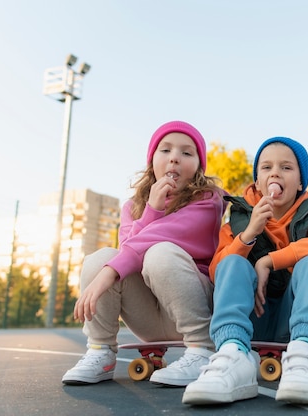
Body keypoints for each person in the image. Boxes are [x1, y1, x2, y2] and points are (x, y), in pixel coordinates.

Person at [62, 120, 227, 387]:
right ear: (152, 160)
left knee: (158, 253)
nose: (175, 157)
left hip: (194, 308)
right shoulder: (133, 207)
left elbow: (158, 238)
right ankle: (100, 352)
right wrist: (151, 209)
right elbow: (129, 250)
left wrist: (109, 273)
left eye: (186, 153)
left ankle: (201, 351)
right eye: (166, 150)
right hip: (148, 316)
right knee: (100, 258)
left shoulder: (209, 200)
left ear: (198, 165)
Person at [182, 137, 308, 405]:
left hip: (291, 320)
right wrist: (249, 235)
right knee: (232, 262)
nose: (275, 172)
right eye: (266, 167)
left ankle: (303, 355)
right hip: (250, 319)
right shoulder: (239, 218)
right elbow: (217, 270)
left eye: (286, 168)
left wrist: (268, 261)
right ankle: (233, 355)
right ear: (257, 181)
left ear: (301, 183)